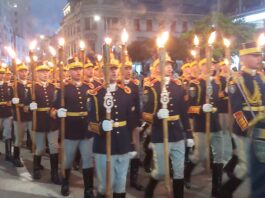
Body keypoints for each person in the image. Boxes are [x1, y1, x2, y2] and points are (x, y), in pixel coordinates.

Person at [142, 55, 194, 198]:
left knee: (179, 170)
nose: (171, 67)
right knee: (161, 172)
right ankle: (149, 192)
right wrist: (156, 116)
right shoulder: (151, 86)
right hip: (160, 134)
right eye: (167, 65)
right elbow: (145, 114)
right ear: (158, 68)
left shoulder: (177, 85)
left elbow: (183, 111)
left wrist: (189, 134)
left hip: (177, 133)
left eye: (171, 65)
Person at [221, 41, 265, 198]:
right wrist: (247, 128)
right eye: (255, 56)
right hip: (244, 130)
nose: (259, 58)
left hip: (262, 129)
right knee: (246, 167)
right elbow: (237, 110)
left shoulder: (261, 77)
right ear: (244, 58)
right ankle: (226, 190)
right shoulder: (236, 80)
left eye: (259, 55)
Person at [87, 57, 135, 198]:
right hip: (103, 146)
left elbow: (131, 121)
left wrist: (131, 144)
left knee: (120, 183)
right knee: (105, 185)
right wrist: (101, 126)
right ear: (103, 72)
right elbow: (89, 124)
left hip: (123, 144)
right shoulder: (95, 94)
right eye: (110, 69)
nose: (114, 72)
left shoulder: (126, 92)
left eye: (115, 69)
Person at [54, 60, 94, 197]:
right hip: (70, 129)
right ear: (70, 72)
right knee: (68, 158)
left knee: (88, 158)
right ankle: (65, 183)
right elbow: (53, 109)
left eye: (80, 69)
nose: (78, 71)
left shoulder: (88, 88)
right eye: (75, 69)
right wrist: (58, 113)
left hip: (86, 129)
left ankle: (88, 189)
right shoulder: (63, 89)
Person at [186, 58, 224, 197]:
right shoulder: (195, 84)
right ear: (201, 67)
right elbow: (189, 107)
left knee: (218, 156)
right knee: (199, 155)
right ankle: (186, 173)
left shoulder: (215, 83)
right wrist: (201, 108)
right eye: (208, 64)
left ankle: (216, 188)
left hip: (215, 125)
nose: (211, 67)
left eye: (213, 64)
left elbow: (218, 102)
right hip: (201, 125)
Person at [28, 64, 60, 184]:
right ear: (37, 74)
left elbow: (57, 102)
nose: (45, 74)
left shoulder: (53, 87)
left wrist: (56, 110)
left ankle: (54, 173)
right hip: (39, 120)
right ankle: (36, 168)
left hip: (52, 120)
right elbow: (26, 104)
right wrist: (30, 106)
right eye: (42, 72)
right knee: (40, 147)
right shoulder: (33, 88)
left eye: (46, 72)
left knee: (53, 146)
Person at [120, 57, 144, 191]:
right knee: (123, 151)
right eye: (125, 69)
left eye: (129, 69)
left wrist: (139, 120)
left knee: (135, 150)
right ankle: (121, 178)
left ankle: (134, 179)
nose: (128, 71)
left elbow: (138, 104)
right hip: (122, 123)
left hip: (133, 122)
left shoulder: (135, 85)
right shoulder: (117, 85)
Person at [11, 63, 32, 167]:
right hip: (19, 116)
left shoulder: (31, 84)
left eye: (25, 71)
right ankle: (16, 157)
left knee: (34, 138)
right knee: (19, 138)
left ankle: (37, 162)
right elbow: (10, 99)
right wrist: (15, 101)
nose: (23, 73)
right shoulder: (14, 85)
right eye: (21, 71)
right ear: (18, 73)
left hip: (30, 115)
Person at [0, 66, 13, 161]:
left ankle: (8, 153)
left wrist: (11, 101)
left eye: (2, 73)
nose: (1, 75)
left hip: (7, 113)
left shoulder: (9, 86)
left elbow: (13, 97)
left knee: (8, 132)